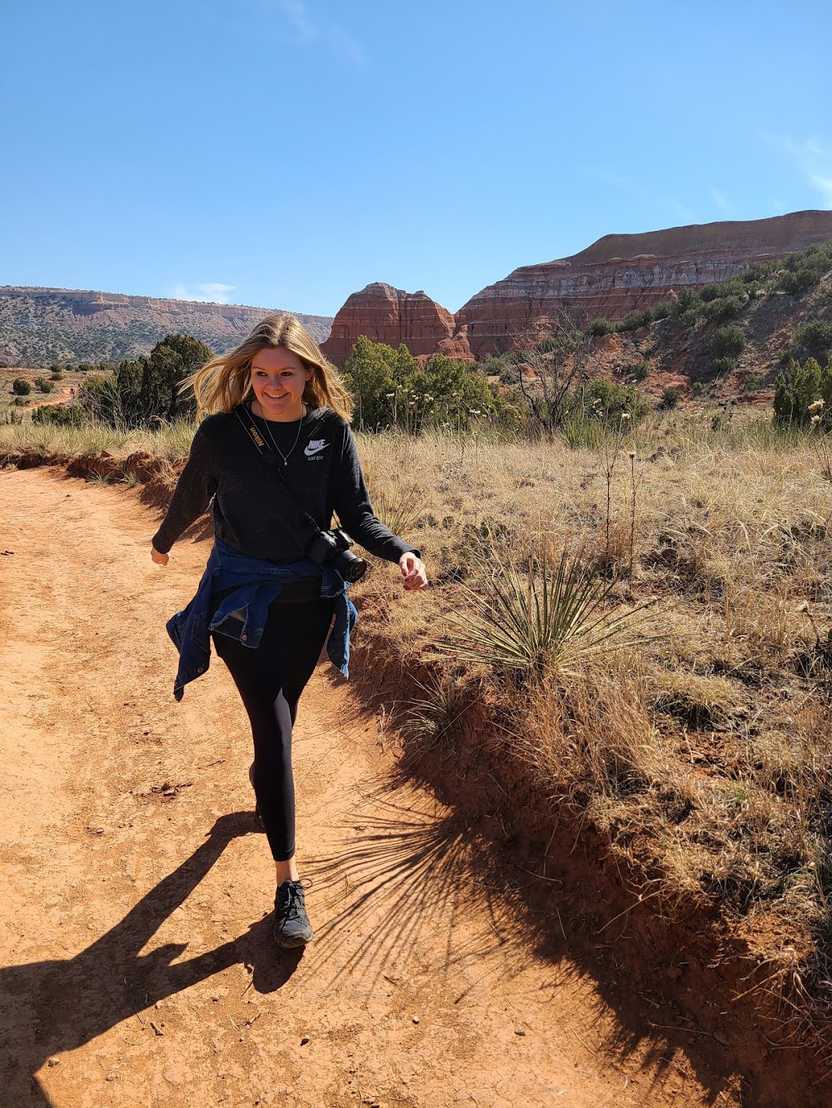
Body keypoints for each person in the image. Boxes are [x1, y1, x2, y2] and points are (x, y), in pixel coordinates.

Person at [149, 313, 428, 948]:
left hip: (309, 603)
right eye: (261, 374)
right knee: (275, 731)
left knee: (284, 715)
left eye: (286, 374)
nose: (273, 385)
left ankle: (264, 779)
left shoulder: (330, 431)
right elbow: (192, 495)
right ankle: (287, 883)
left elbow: (356, 513)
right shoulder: (222, 433)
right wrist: (164, 541)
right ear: (247, 374)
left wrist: (402, 551)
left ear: (310, 375)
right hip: (241, 604)